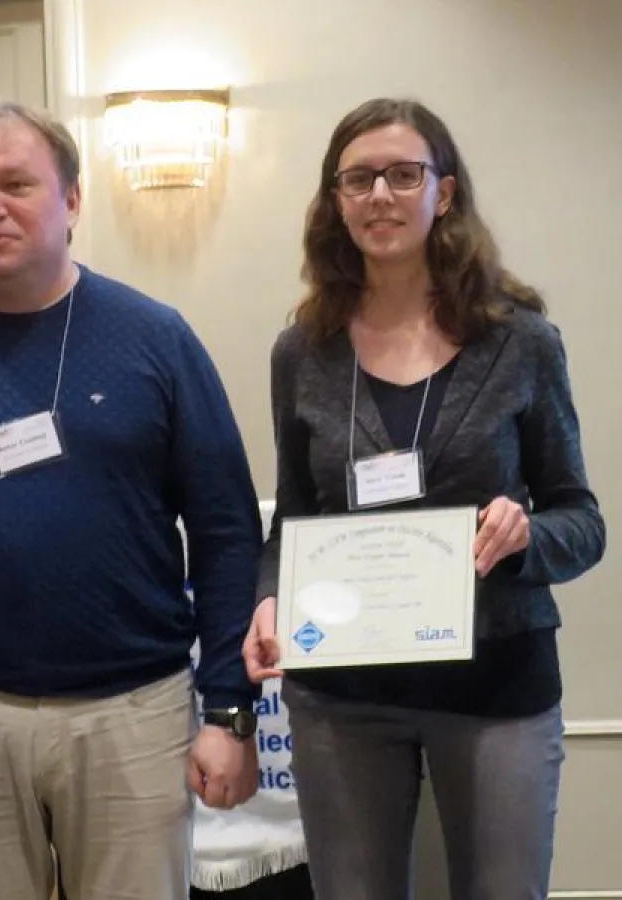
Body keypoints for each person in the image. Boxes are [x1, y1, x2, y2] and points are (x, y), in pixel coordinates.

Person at [0, 97, 263, 900]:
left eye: (16, 185)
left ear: (70, 200)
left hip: (136, 714)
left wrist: (229, 708)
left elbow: (227, 530)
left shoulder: (154, 339)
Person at [243, 97, 606, 900]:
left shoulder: (521, 342)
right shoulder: (301, 351)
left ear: (443, 192)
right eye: (359, 178)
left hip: (497, 686)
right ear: (334, 201)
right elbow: (295, 521)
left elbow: (581, 520)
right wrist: (270, 597)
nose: (380, 195)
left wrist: (525, 539)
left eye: (404, 175)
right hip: (343, 697)